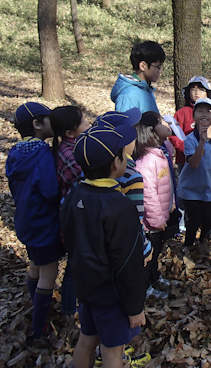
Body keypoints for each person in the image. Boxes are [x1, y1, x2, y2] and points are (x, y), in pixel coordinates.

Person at [61, 124, 147, 368]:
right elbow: (128, 263)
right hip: (112, 296)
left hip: (86, 287)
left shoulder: (73, 196)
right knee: (112, 352)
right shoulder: (119, 207)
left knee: (87, 340)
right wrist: (134, 307)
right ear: (115, 164)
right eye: (123, 155)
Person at [5, 102, 64, 340]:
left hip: (26, 219)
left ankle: (36, 307)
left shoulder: (14, 153)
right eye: (48, 119)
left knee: (36, 266)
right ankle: (39, 327)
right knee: (49, 273)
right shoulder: (41, 155)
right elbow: (50, 190)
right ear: (37, 124)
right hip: (44, 222)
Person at [49, 105, 91, 317]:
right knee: (75, 266)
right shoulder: (69, 153)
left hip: (79, 213)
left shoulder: (75, 147)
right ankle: (68, 309)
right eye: (83, 121)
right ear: (69, 132)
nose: (88, 123)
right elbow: (86, 176)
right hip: (75, 217)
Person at [176, 98, 211, 256]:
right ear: (193, 117)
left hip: (207, 189)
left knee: (209, 221)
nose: (204, 114)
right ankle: (188, 245)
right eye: (199, 111)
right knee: (194, 219)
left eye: (208, 111)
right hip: (189, 189)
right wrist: (202, 142)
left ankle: (204, 244)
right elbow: (194, 164)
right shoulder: (190, 140)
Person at [134, 112, 176, 297]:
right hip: (151, 223)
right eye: (160, 122)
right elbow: (148, 195)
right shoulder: (147, 160)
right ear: (151, 130)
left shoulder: (161, 151)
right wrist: (158, 220)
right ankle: (145, 286)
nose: (166, 123)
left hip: (161, 217)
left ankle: (154, 276)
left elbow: (168, 183)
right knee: (149, 254)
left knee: (157, 250)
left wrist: (171, 203)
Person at [169, 76, 211, 173]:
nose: (197, 92)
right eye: (193, 89)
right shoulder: (181, 113)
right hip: (184, 158)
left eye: (201, 89)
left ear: (207, 93)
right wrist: (187, 148)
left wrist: (209, 146)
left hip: (207, 156)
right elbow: (174, 135)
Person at [111, 41, 165, 114]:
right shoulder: (128, 95)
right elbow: (125, 124)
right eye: (158, 67)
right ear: (143, 66)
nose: (160, 71)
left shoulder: (146, 89)